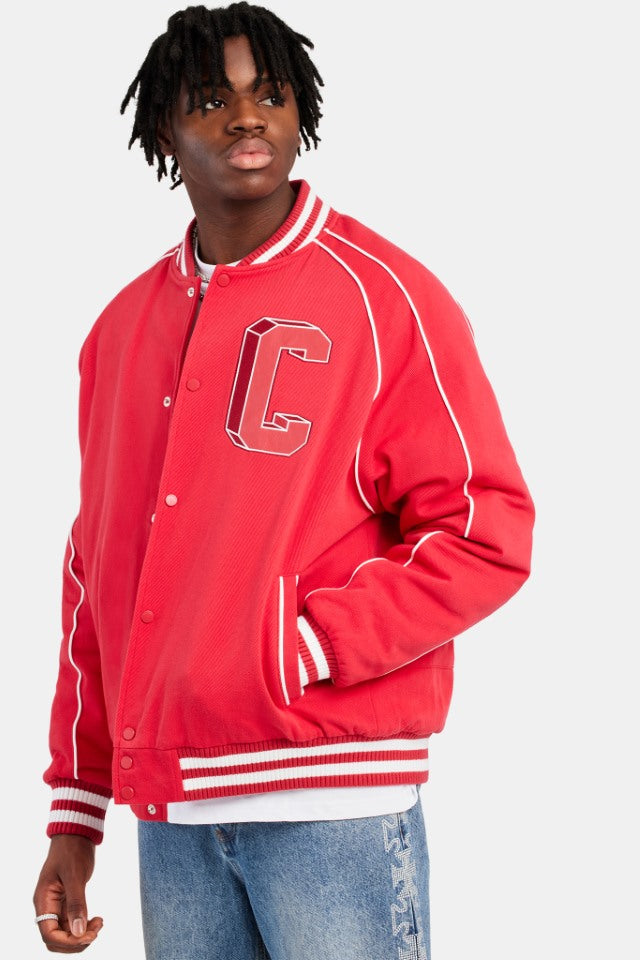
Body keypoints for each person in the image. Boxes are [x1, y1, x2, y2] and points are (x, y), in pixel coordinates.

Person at [33, 3, 535, 957]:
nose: (246, 117)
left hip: (333, 802)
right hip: (172, 814)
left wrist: (305, 645)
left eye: (270, 93)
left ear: (301, 110)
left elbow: (486, 530)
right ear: (164, 131)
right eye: (210, 99)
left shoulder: (386, 296)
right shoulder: (119, 332)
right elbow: (97, 577)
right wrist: (77, 807)